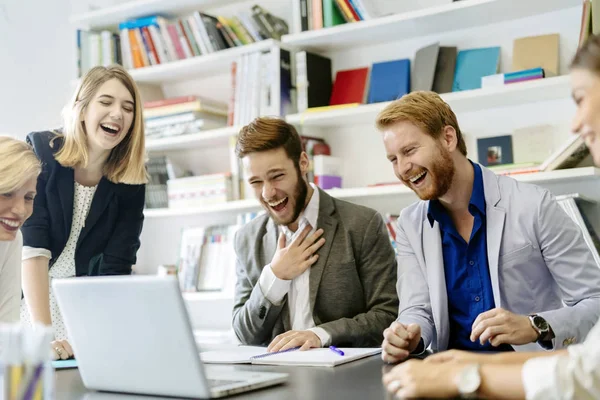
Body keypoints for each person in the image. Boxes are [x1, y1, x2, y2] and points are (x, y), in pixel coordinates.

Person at [381, 34, 600, 400]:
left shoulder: (535, 205)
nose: (403, 168)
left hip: (528, 382)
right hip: (446, 381)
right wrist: (408, 334)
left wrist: (534, 325)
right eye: (393, 159)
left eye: (410, 150)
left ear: (448, 138)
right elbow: (417, 309)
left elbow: (594, 302)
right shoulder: (410, 223)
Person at [232, 117, 398, 351]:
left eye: (277, 176)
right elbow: (244, 334)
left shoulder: (362, 225)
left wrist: (320, 335)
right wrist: (275, 277)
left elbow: (387, 315)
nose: (268, 193)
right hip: (277, 376)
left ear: (302, 163)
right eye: (256, 182)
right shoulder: (247, 239)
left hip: (343, 374)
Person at [20, 65, 147, 360]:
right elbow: (32, 249)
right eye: (106, 102)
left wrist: (99, 333)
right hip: (29, 298)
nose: (118, 113)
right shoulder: (42, 150)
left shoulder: (131, 182)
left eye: (128, 108)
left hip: (82, 308)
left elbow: (117, 268)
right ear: (81, 110)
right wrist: (43, 334)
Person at [0, 137, 41, 323]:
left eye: (28, 197)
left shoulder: (12, 240)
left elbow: (6, 326)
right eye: (7, 193)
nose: (20, 210)